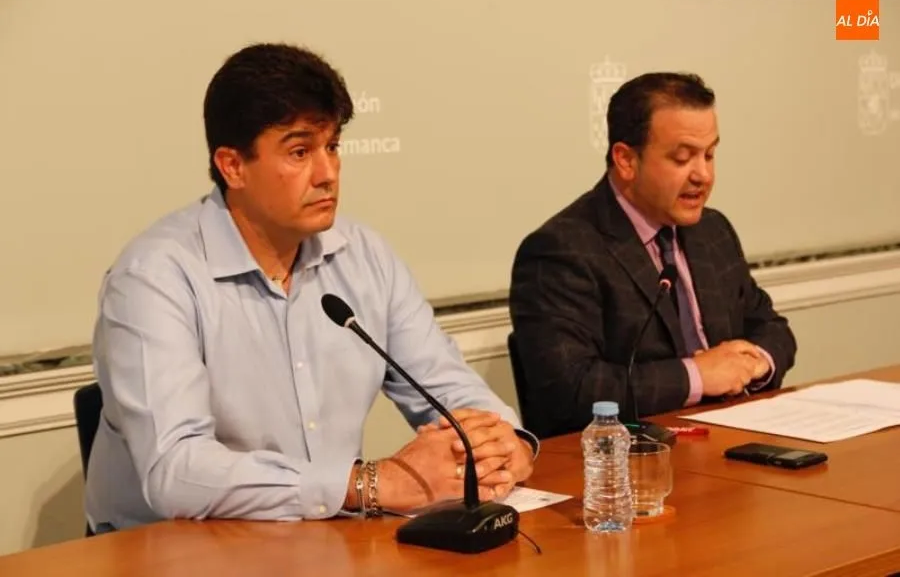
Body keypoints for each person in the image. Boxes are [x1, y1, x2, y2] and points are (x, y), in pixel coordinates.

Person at [85, 42, 536, 533]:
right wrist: (371, 483)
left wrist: (506, 443)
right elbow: (176, 471)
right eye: (300, 152)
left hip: (324, 537)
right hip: (171, 549)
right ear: (233, 166)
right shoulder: (153, 278)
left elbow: (445, 385)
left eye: (333, 147)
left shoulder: (364, 256)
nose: (327, 174)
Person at [508, 72, 797, 439]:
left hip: (728, 442)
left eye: (709, 155)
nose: (703, 175)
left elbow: (772, 328)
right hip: (627, 459)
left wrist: (754, 365)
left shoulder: (713, 231)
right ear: (626, 160)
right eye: (682, 158)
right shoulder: (562, 250)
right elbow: (572, 389)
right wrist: (697, 376)